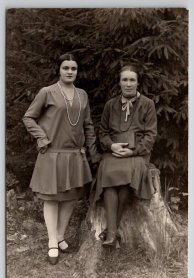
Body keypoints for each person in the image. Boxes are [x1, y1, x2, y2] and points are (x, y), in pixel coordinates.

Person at [23, 53, 100, 264]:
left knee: (71, 197)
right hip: (52, 154)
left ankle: (60, 235)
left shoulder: (82, 95)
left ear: (77, 71)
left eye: (73, 68)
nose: (69, 71)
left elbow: (88, 125)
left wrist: (92, 152)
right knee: (52, 198)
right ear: (59, 69)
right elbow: (28, 117)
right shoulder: (46, 92)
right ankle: (51, 243)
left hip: (75, 155)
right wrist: (42, 138)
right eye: (66, 67)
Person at [94, 64, 157, 247]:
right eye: (125, 80)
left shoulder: (148, 104)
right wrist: (112, 145)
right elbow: (103, 133)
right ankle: (113, 233)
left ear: (138, 83)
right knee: (108, 174)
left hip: (137, 154)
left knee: (125, 180)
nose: (128, 84)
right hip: (114, 153)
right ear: (120, 83)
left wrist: (133, 150)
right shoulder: (110, 105)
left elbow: (150, 135)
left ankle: (111, 232)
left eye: (132, 80)